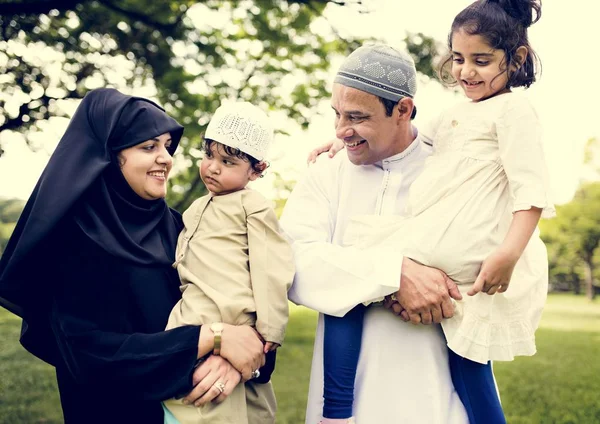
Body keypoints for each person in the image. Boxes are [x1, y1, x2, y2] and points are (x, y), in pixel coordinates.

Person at [304, 1, 554, 423]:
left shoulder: (515, 112)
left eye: (481, 60)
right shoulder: (455, 114)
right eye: (458, 58)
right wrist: (345, 139)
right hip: (443, 241)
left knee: (354, 272)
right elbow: (413, 140)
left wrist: (509, 255)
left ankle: (336, 410)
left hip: (469, 244)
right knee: (467, 357)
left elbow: (532, 192)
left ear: (517, 59)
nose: (465, 71)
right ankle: (343, 405)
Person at [0, 88, 269, 424]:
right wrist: (210, 339)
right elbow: (89, 356)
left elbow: (244, 304)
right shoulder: (72, 239)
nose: (166, 158)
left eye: (167, 146)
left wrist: (233, 361)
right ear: (109, 155)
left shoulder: (180, 227)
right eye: (149, 146)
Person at [280, 44, 470, 424]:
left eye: (356, 117)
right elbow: (289, 260)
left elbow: (490, 259)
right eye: (336, 114)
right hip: (342, 400)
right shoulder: (326, 171)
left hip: (436, 386)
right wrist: (393, 274)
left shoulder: (454, 167)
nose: (340, 130)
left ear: (402, 109)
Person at [163, 101, 294, 424]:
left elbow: (271, 269)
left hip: (235, 317)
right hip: (192, 317)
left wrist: (268, 333)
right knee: (190, 396)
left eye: (228, 161)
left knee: (245, 403)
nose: (213, 168)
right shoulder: (194, 209)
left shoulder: (253, 206)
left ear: (257, 170)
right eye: (208, 155)